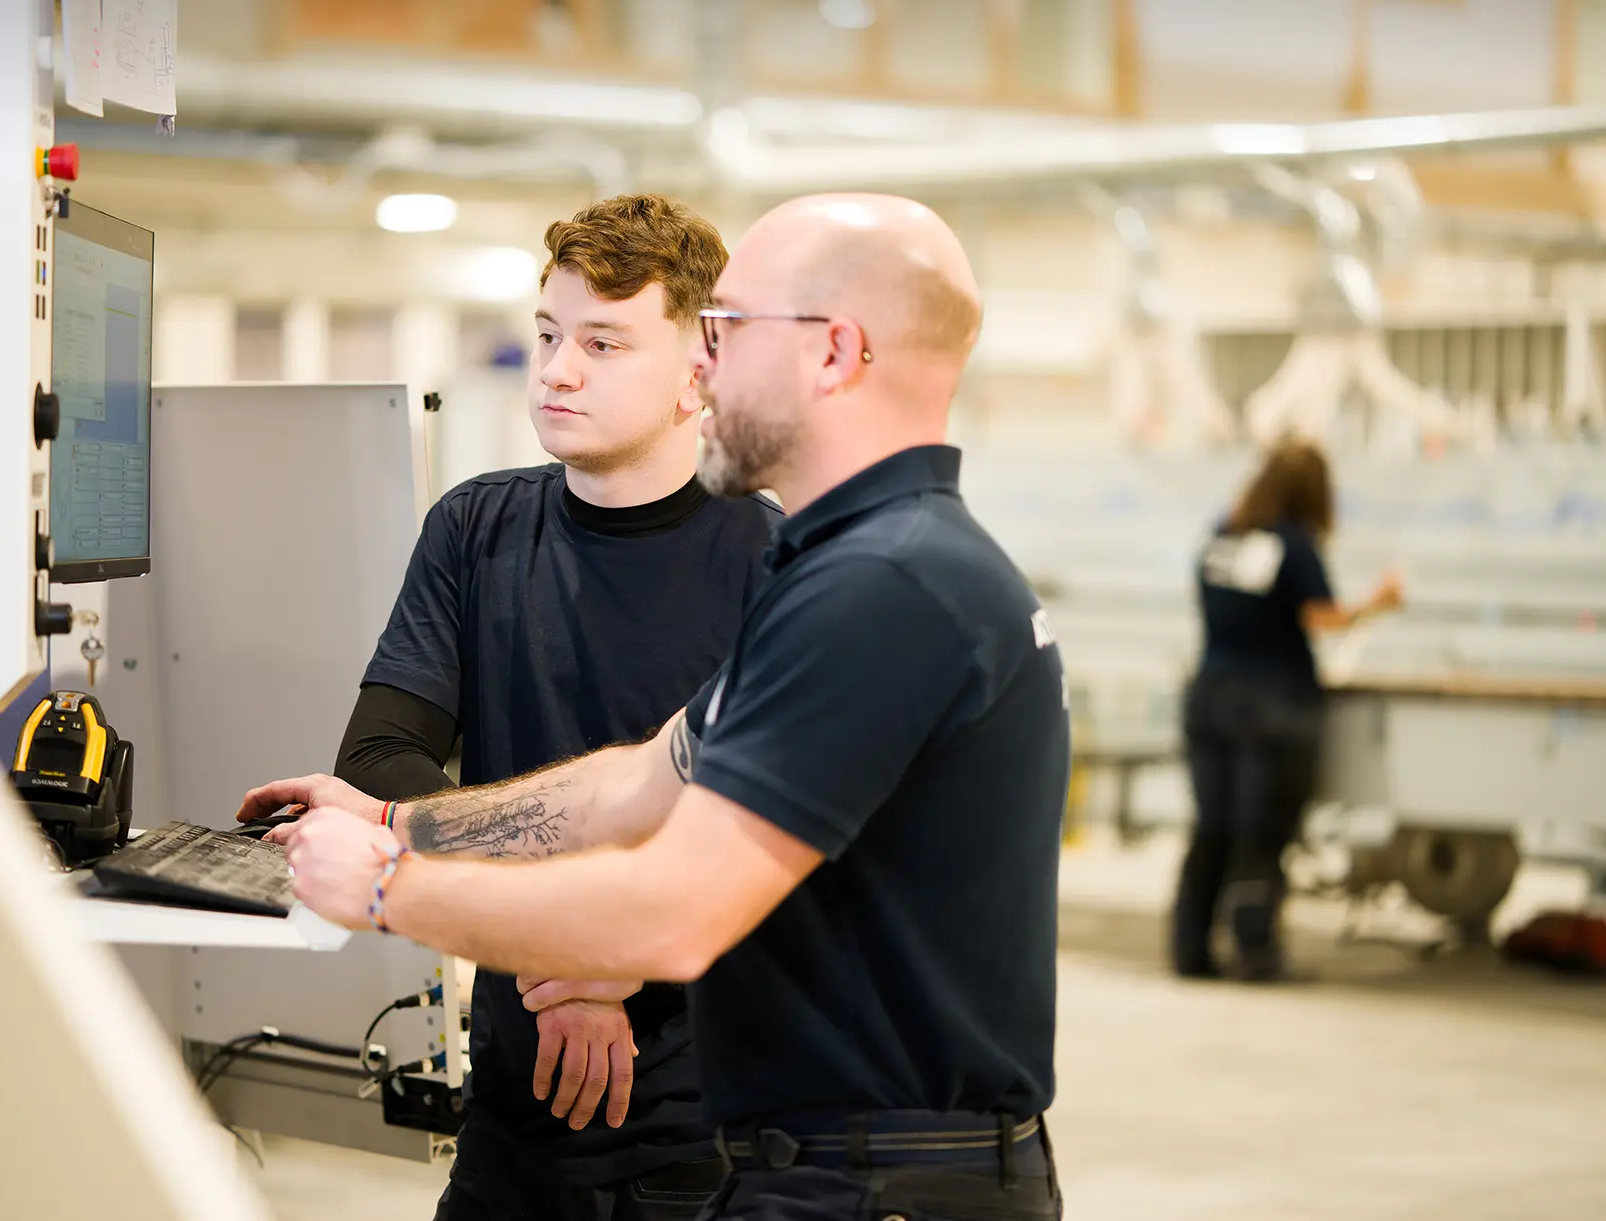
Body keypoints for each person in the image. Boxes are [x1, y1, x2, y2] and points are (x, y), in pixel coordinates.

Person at [248, 194, 1071, 1220]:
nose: (709, 367)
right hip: (813, 1159)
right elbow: (641, 780)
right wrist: (396, 818)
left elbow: (674, 914)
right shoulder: (854, 565)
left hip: (876, 1175)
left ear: (832, 353)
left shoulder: (884, 586)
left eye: (726, 331)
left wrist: (387, 889)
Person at [336, 193, 779, 1221]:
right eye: (547, 335)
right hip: (515, 1107)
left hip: (717, 1131)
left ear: (698, 372)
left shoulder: (775, 563)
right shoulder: (474, 530)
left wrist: (597, 952)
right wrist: (563, 950)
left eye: (604, 342)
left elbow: (777, 844)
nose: (557, 369)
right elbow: (380, 758)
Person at [1172, 438, 1403, 982]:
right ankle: (1255, 954)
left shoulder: (1221, 537)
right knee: (1262, 833)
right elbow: (1323, 620)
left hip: (1210, 698)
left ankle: (1190, 951)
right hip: (1273, 706)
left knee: (1213, 829)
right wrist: (1381, 603)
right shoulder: (1294, 546)